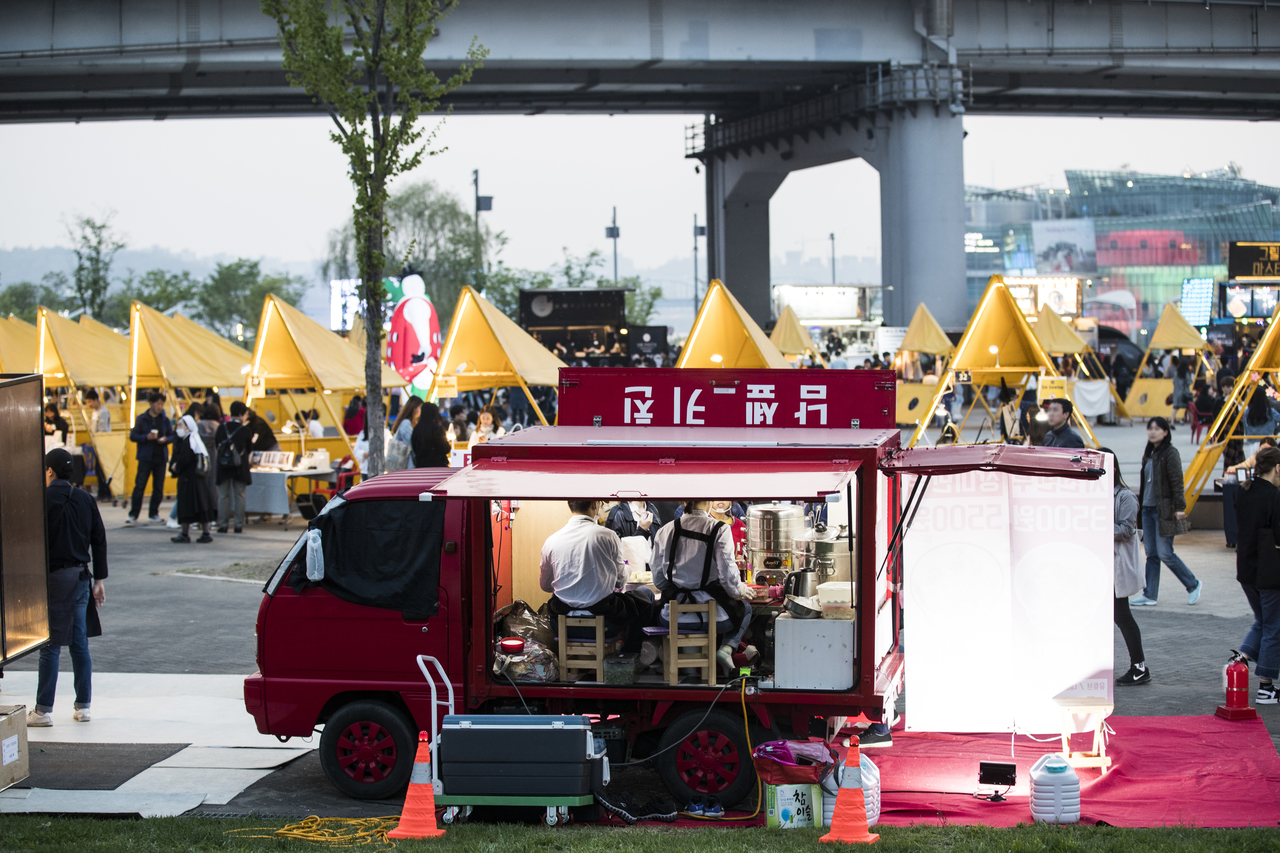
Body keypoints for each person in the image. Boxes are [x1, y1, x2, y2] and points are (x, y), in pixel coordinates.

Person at [29, 449, 106, 727]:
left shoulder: (42, 499)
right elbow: (99, 540)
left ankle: (42, 710)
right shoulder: (86, 499)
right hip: (82, 578)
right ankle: (83, 706)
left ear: (49, 471)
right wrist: (99, 580)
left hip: (54, 579)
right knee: (78, 642)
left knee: (50, 645)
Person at [540, 500, 655, 656]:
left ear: (570, 506)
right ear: (595, 505)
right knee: (646, 594)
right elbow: (620, 581)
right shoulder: (607, 536)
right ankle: (628, 654)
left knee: (555, 597)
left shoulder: (551, 541)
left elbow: (546, 586)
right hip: (604, 623)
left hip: (562, 626)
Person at [651, 500, 754, 675]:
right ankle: (726, 649)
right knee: (746, 608)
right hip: (713, 619)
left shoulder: (665, 530)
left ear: (683, 502)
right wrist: (741, 590)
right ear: (709, 502)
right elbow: (729, 579)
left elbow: (659, 580)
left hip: (671, 618)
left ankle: (679, 668)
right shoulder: (719, 529)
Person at [1131, 416, 1203, 606]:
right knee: (1152, 555)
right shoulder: (1149, 453)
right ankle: (1150, 594)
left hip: (1164, 510)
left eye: (1157, 428)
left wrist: (1180, 507)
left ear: (1165, 432)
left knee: (1165, 553)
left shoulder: (1170, 453)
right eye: (1150, 428)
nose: (1153, 432)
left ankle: (1193, 584)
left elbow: (1177, 482)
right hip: (1147, 510)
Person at [1228, 445, 1280, 705]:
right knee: (1273, 626)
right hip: (1269, 572)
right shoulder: (1274, 496)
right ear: (1278, 468)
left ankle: (1240, 662)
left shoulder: (1242, 491)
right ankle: (1266, 686)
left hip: (1246, 570)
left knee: (1262, 621)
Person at [1099, 447, 1150, 685]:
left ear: (1113, 468)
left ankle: (1139, 666)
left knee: (1122, 616)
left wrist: (1097, 528)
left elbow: (1127, 530)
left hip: (1116, 565)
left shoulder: (1125, 497)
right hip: (1100, 565)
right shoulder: (1095, 493)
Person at [127, 392, 174, 524]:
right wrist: (145, 437)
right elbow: (133, 435)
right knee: (140, 485)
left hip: (160, 457)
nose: (160, 406)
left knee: (158, 487)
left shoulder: (164, 420)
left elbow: (172, 435)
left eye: (161, 404)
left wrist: (166, 439)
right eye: (157, 403)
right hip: (145, 457)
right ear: (151, 404)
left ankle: (154, 513)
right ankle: (133, 514)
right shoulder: (142, 419)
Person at [169, 414, 213, 544]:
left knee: (186, 506)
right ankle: (206, 532)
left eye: (181, 425)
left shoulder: (187, 441)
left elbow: (184, 459)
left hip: (187, 480)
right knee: (201, 506)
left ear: (188, 427)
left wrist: (176, 466)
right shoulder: (195, 440)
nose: (178, 428)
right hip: (198, 480)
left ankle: (184, 533)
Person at [215, 401, 253, 534]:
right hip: (239, 467)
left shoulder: (221, 428)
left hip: (223, 466)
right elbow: (248, 449)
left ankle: (223, 524)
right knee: (240, 495)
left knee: (222, 496)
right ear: (241, 414)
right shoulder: (245, 430)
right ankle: (238, 525)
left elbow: (217, 445)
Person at [83, 389, 112, 501]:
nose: (89, 405)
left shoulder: (103, 412)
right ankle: (102, 492)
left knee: (102, 470)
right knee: (98, 469)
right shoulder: (95, 411)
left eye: (90, 402)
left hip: (103, 444)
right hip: (97, 444)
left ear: (96, 399)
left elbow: (103, 430)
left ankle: (106, 493)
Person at [411, 401, 451, 468]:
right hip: (438, 465)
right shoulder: (437, 429)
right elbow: (445, 449)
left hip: (420, 466)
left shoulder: (416, 429)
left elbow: (414, 447)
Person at [390, 396, 423, 469]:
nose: (421, 411)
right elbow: (410, 441)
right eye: (420, 407)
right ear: (414, 408)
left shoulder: (406, 422)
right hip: (404, 461)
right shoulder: (406, 423)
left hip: (403, 461)